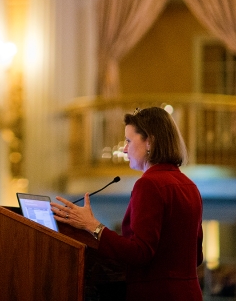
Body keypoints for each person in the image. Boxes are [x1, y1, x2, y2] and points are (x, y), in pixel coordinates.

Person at [51, 106, 204, 301]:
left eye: (129, 141)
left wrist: (93, 226)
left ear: (150, 142)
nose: (124, 149)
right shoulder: (189, 186)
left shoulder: (149, 184)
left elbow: (140, 252)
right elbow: (196, 257)